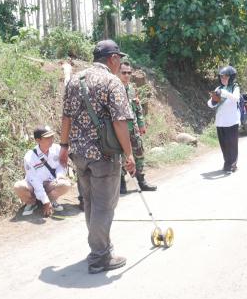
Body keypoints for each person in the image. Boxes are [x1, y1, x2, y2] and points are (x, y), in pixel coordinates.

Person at [59, 39, 136, 274]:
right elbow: (119, 121)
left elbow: (66, 117)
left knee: (92, 202)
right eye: (119, 59)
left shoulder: (75, 80)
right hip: (104, 155)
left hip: (79, 155)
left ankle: (101, 246)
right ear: (112, 59)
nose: (120, 63)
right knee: (105, 205)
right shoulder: (112, 82)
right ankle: (100, 256)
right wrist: (129, 154)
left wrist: (63, 146)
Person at [13, 125, 72, 217]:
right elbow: (34, 180)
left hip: (50, 184)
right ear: (38, 140)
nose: (51, 139)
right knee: (18, 186)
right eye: (47, 138)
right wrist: (45, 200)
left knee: (65, 184)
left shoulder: (57, 149)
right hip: (33, 185)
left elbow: (61, 166)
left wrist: (60, 176)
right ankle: (32, 203)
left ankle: (51, 200)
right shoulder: (29, 157)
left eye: (52, 136)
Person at [117, 61, 157, 194]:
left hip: (133, 128)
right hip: (120, 129)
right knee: (121, 156)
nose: (127, 75)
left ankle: (141, 181)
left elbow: (138, 108)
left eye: (129, 73)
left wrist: (141, 124)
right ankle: (121, 184)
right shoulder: (114, 89)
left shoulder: (132, 89)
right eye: (124, 72)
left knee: (139, 153)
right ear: (118, 73)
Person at [207, 66, 241, 173]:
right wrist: (213, 101)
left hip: (231, 121)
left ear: (231, 77)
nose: (223, 79)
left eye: (225, 77)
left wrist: (224, 93)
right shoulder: (218, 88)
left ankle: (233, 164)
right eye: (221, 77)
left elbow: (236, 98)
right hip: (220, 122)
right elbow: (210, 104)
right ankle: (227, 163)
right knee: (224, 145)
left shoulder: (235, 87)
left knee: (232, 144)